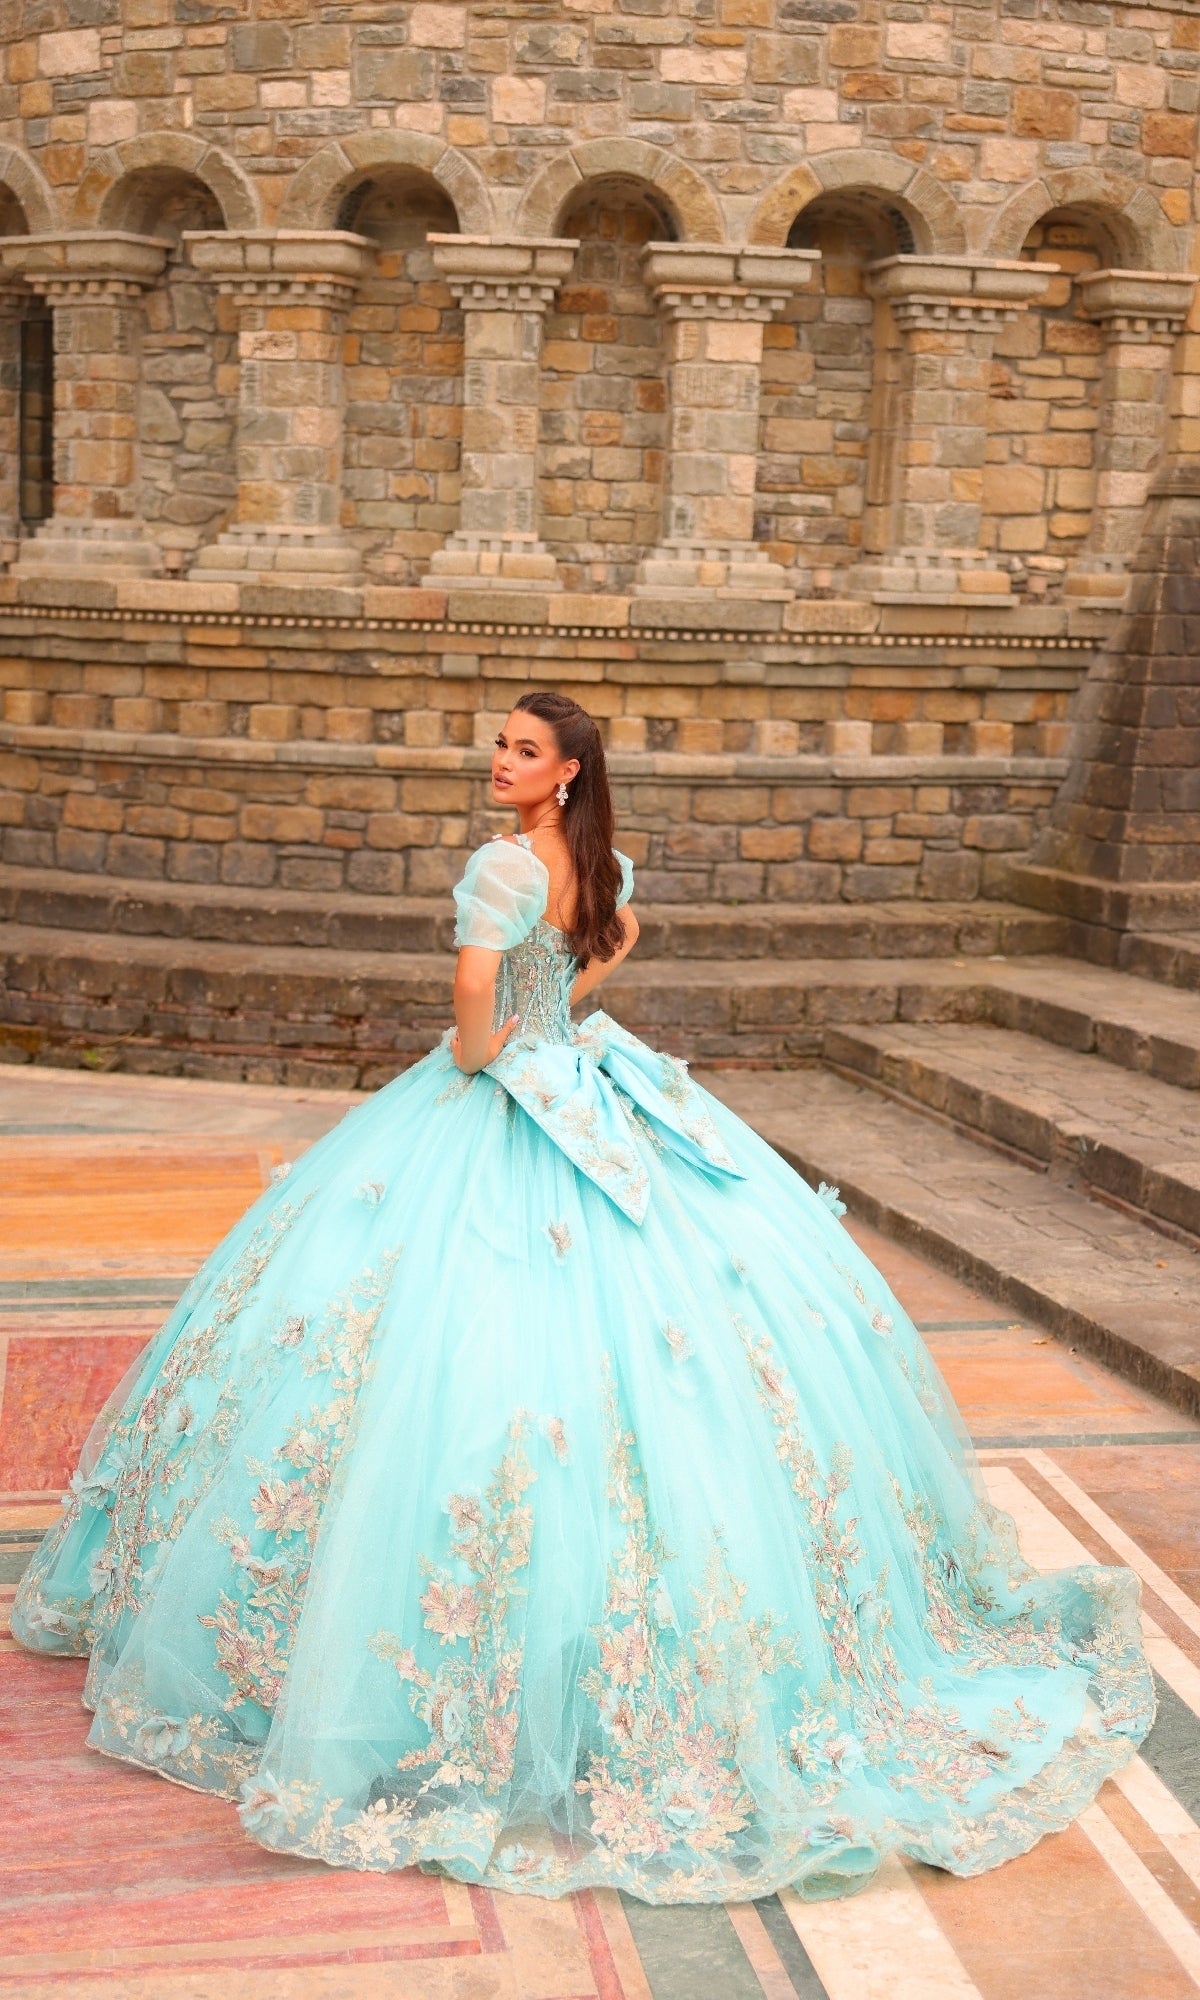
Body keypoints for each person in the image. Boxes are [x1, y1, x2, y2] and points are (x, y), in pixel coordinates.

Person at [12, 688, 1152, 1903]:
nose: (499, 761)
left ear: (565, 771)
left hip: (502, 1084)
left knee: (414, 1335)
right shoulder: (596, 858)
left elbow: (472, 1001)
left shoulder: (503, 865)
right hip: (580, 1072)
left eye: (524, 750)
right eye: (499, 744)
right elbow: (618, 934)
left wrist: (488, 1051)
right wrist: (556, 1016)